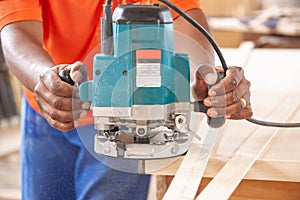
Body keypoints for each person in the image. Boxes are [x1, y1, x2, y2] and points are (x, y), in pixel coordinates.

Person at [0, 0, 253, 199]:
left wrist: (204, 77)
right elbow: (16, 28)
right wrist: (44, 80)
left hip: (128, 119)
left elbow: (184, 16)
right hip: (47, 105)